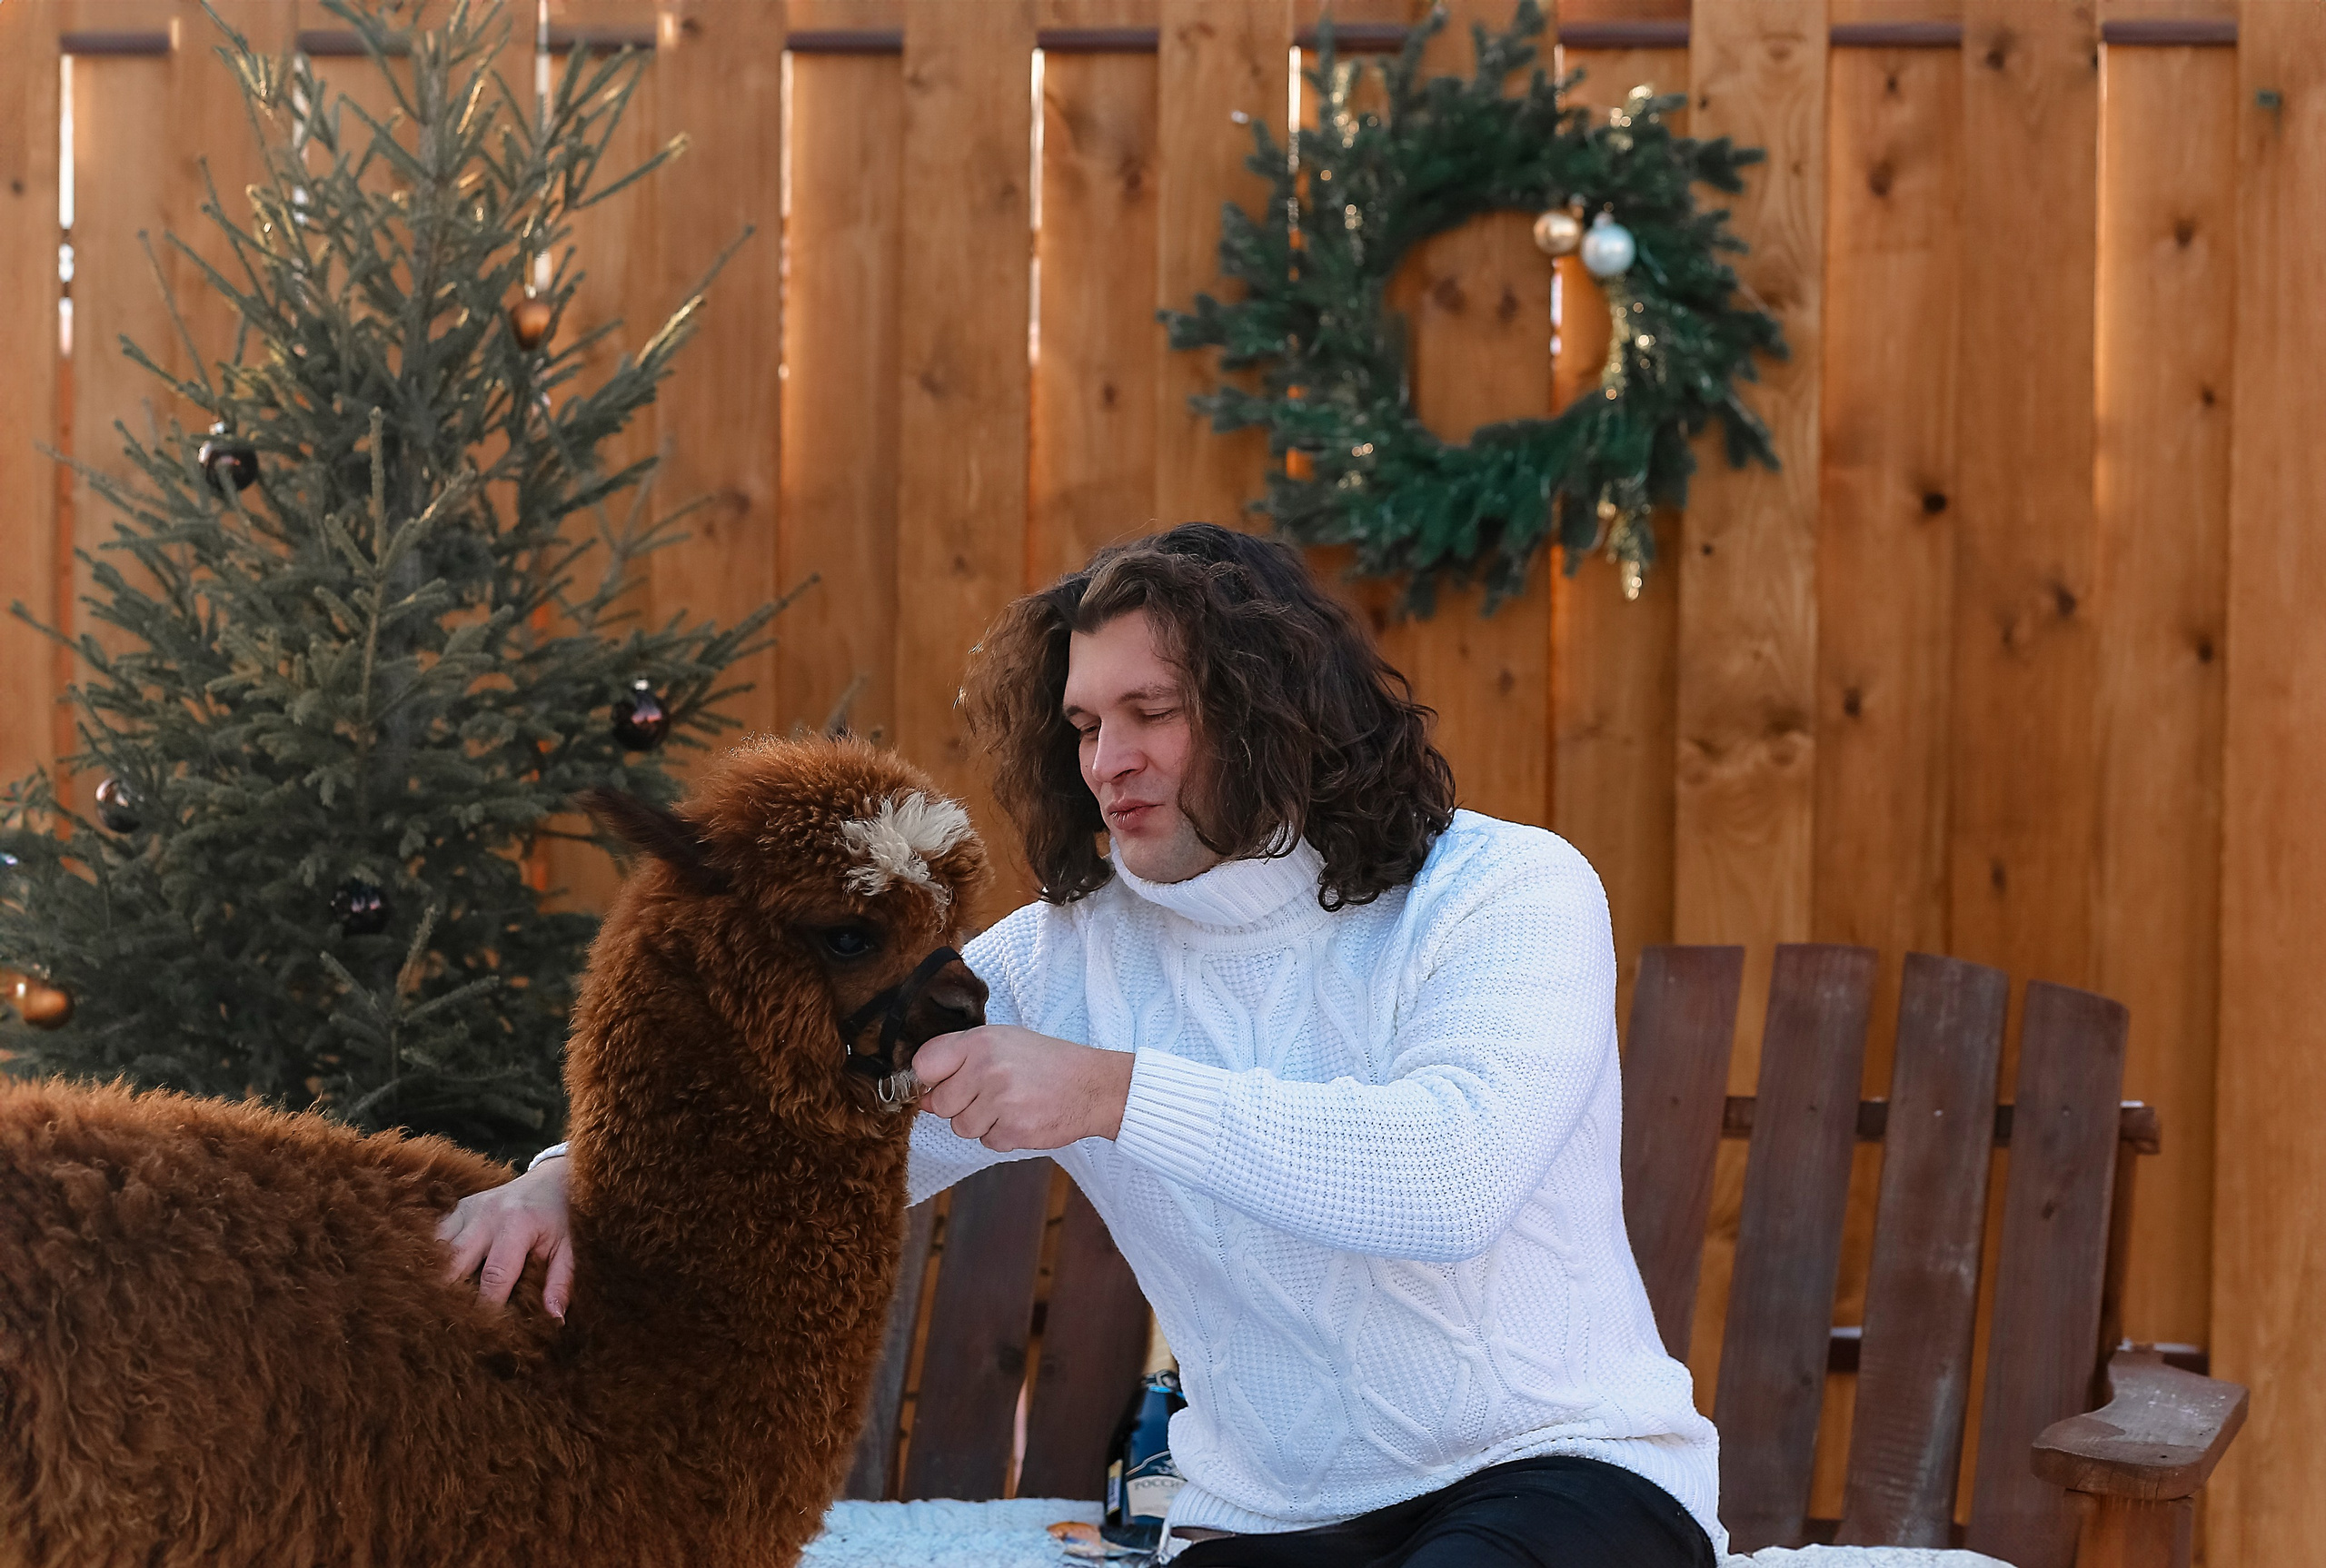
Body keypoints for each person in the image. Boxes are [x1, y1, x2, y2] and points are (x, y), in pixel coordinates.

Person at [439, 524, 1724, 1566]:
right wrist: (566, 1174)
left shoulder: (1504, 889)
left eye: (1150, 712)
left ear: (1273, 707)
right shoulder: (1060, 960)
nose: (1110, 760)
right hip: (1268, 1517)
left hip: (1565, 1474)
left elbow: (1449, 1178)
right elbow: (803, 1144)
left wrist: (1110, 1091)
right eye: (1085, 724)